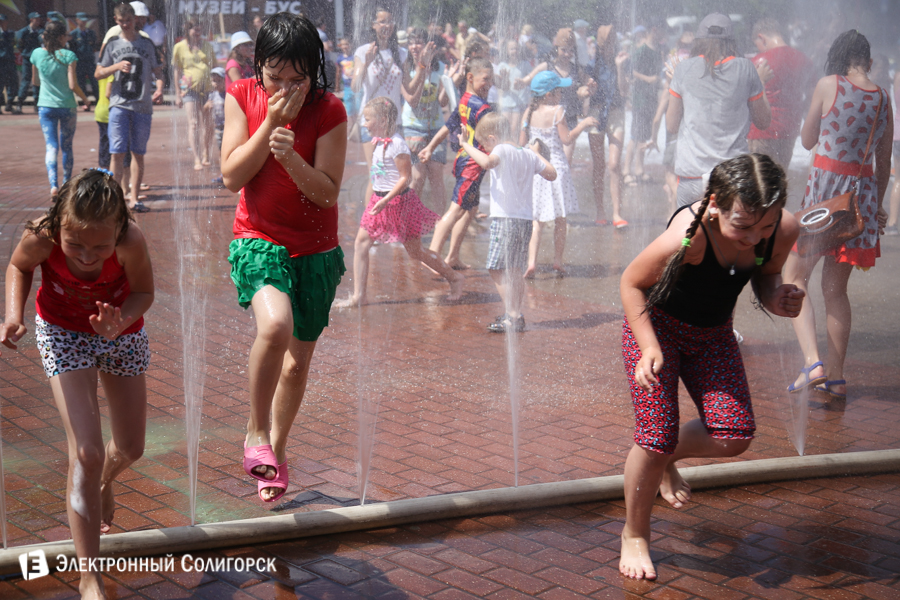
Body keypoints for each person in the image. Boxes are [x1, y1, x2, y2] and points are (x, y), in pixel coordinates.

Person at [619, 154, 803, 580]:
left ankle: (663, 460)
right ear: (715, 202)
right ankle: (635, 533)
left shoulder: (782, 230)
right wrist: (647, 346)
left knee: (733, 436)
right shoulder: (690, 235)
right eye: (744, 226)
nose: (754, 237)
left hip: (713, 335)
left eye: (765, 226)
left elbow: (765, 274)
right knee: (654, 436)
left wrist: (777, 297)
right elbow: (631, 282)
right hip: (656, 329)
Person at [1, 168, 154, 600]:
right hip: (62, 333)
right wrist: (14, 315)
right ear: (59, 227)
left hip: (121, 334)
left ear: (117, 233)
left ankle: (105, 480)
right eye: (76, 245)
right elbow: (18, 264)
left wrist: (120, 319)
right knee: (85, 451)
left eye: (99, 247)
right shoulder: (43, 233)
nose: (88, 256)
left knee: (130, 448)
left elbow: (144, 292)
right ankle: (91, 577)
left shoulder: (131, 241)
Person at [221, 12, 347, 502]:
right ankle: (255, 433)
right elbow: (232, 176)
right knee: (274, 326)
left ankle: (276, 447)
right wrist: (270, 122)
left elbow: (327, 194)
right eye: (276, 78)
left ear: (314, 71)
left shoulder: (329, 109)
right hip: (258, 238)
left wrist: (292, 156)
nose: (287, 88)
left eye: (299, 79)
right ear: (258, 69)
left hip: (315, 249)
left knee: (296, 365)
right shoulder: (242, 97)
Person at [783, 30, 892, 401]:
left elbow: (807, 140)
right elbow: (884, 162)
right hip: (858, 201)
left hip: (825, 199)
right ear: (869, 62)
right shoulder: (883, 99)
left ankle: (813, 361)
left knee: (794, 274)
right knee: (835, 290)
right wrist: (876, 205)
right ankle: (837, 376)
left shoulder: (828, 84)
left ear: (840, 57)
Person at [337, 97, 463, 308]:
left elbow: (406, 178)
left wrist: (386, 199)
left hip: (398, 203)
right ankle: (360, 295)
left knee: (416, 252)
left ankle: (454, 278)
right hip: (380, 200)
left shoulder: (397, 144)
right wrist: (380, 199)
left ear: (383, 119)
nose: (364, 124)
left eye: (368, 119)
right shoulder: (377, 141)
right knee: (361, 243)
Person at [459, 112, 556, 333]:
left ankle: (513, 315)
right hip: (524, 221)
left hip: (506, 220)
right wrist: (534, 154)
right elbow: (552, 174)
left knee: (495, 267)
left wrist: (465, 144)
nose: (486, 149)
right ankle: (514, 314)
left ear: (493, 139)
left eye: (485, 144)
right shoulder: (527, 154)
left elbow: (485, 163)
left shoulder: (501, 149)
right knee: (513, 269)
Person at [668, 13, 772, 208]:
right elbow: (764, 121)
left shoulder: (683, 70)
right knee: (732, 237)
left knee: (688, 236)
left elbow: (671, 125)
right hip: (733, 175)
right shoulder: (746, 69)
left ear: (699, 40)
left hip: (692, 176)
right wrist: (761, 82)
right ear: (731, 40)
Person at [418, 58, 494, 270]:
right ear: (470, 77)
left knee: (470, 209)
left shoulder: (465, 100)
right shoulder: (483, 108)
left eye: (492, 80)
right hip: (472, 165)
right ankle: (433, 259)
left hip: (465, 161)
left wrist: (431, 147)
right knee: (455, 210)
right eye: (485, 79)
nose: (489, 84)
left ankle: (451, 257)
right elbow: (492, 138)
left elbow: (448, 125)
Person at [521, 71, 597, 278]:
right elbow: (567, 139)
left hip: (536, 169)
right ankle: (557, 261)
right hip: (556, 169)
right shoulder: (557, 111)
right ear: (548, 95)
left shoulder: (528, 111)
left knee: (537, 221)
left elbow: (521, 143)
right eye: (558, 91)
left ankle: (531, 263)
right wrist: (582, 124)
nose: (561, 94)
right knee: (560, 219)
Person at [95, 1, 163, 213]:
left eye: (128, 20)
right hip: (119, 105)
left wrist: (159, 88)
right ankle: (116, 199)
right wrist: (115, 66)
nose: (125, 24)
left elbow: (158, 71)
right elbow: (98, 73)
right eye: (121, 21)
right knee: (117, 152)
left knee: (138, 153)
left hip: (142, 106)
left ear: (135, 20)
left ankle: (134, 198)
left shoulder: (146, 43)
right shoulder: (113, 44)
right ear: (116, 21)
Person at [32, 21, 91, 198]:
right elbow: (73, 85)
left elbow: (35, 82)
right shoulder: (69, 56)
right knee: (66, 147)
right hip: (67, 106)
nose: (67, 38)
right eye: (65, 35)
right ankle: (66, 184)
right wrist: (86, 99)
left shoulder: (36, 54)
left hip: (45, 106)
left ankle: (53, 185)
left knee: (51, 147)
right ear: (60, 37)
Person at [747, 18, 814, 171]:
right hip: (789, 130)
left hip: (761, 132)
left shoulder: (759, 62)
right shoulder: (804, 60)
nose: (757, 49)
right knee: (779, 181)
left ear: (761, 38)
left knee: (759, 183)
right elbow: (811, 97)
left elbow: (746, 99)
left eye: (756, 44)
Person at [521, 28, 592, 164]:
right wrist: (521, 82)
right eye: (564, 50)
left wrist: (588, 89)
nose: (567, 54)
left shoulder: (577, 70)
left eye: (571, 50)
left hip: (568, 118)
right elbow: (529, 78)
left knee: (564, 161)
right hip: (547, 119)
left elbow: (586, 86)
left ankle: (559, 184)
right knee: (546, 160)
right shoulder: (547, 66)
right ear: (556, 48)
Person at [401, 28, 447, 212]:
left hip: (436, 127)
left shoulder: (441, 68)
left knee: (436, 174)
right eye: (411, 43)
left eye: (419, 42)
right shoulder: (405, 68)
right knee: (418, 176)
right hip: (413, 127)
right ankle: (408, 218)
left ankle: (441, 222)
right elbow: (412, 100)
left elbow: (443, 101)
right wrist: (422, 67)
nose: (414, 46)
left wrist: (454, 81)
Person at [589, 23, 629, 226]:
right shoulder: (592, 63)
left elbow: (624, 92)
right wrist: (587, 88)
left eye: (612, 44)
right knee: (598, 165)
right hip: (596, 112)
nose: (609, 49)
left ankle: (617, 213)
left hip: (616, 113)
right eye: (606, 46)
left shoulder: (621, 61)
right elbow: (585, 90)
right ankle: (600, 210)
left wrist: (620, 67)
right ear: (600, 46)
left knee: (614, 164)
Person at [623, 23, 664, 187]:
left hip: (651, 98)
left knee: (644, 135)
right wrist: (648, 79)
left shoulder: (657, 50)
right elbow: (631, 71)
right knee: (636, 134)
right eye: (662, 30)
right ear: (654, 29)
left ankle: (639, 169)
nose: (664, 34)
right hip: (640, 98)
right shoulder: (641, 51)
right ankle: (626, 170)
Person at [172, 20, 217, 171]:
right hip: (189, 89)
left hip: (208, 89)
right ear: (188, 30)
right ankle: (197, 158)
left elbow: (215, 67)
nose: (197, 33)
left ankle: (206, 153)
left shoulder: (208, 46)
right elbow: (177, 70)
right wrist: (178, 94)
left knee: (209, 124)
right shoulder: (179, 47)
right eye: (195, 30)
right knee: (194, 123)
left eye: (200, 30)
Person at [15, 12, 44, 113]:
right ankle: (19, 104)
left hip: (38, 60)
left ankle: (37, 104)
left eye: (39, 19)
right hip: (28, 59)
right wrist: (25, 53)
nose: (38, 21)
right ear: (31, 20)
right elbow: (19, 46)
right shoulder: (23, 32)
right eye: (36, 19)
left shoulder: (41, 31)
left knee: (37, 81)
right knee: (26, 81)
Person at [69, 12, 100, 102]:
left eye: (85, 21)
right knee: (81, 83)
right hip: (80, 62)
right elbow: (72, 48)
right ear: (77, 20)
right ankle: (85, 102)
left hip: (90, 61)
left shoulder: (91, 33)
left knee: (94, 82)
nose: (84, 22)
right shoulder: (73, 34)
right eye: (82, 21)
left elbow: (94, 45)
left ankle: (98, 100)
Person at [206, 66, 226, 182]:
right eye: (214, 81)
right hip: (218, 127)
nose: (216, 84)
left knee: (229, 150)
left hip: (228, 127)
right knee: (220, 151)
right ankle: (223, 173)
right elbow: (205, 109)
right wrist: (207, 106)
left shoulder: (228, 94)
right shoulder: (212, 95)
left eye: (219, 81)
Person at [335, 37, 357, 135]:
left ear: (351, 45)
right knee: (349, 106)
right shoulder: (340, 58)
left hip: (356, 87)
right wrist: (337, 85)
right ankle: (353, 125)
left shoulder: (355, 57)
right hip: (347, 87)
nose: (345, 47)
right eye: (343, 45)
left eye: (347, 44)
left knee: (358, 105)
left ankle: (357, 126)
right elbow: (338, 72)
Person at [0, 14, 18, 114]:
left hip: (10, 61)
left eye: (3, 21)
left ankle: (9, 104)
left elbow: (16, 45)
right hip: (1, 62)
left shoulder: (11, 33)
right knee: (0, 84)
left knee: (12, 83)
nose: (2, 23)